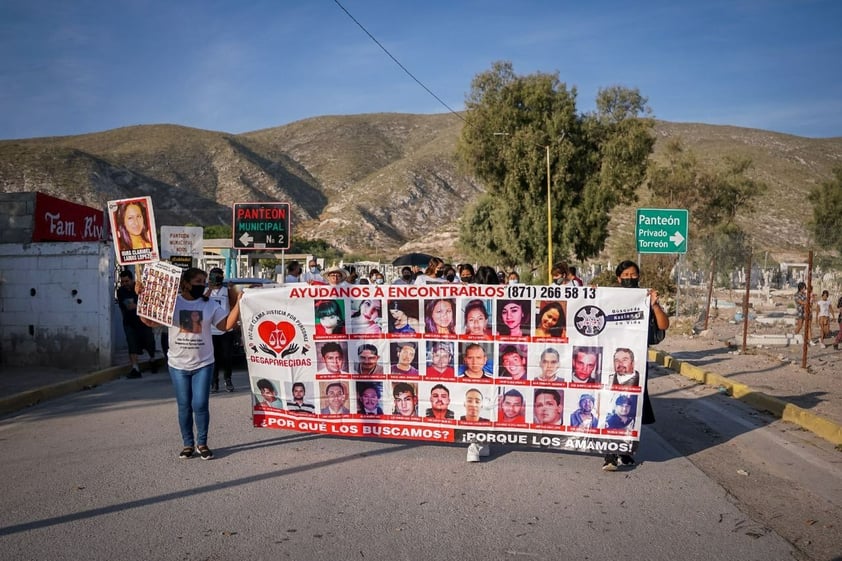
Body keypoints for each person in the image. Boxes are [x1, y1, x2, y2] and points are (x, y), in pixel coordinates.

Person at [140, 267, 242, 461]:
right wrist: (144, 297)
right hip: (178, 365)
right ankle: (188, 444)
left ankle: (202, 443)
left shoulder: (209, 304)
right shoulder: (172, 303)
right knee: (184, 405)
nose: (202, 285)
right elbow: (149, 321)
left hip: (204, 363)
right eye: (198, 281)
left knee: (200, 404)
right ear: (185, 283)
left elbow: (226, 325)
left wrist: (238, 302)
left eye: (204, 281)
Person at [603, 259, 669, 471]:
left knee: (631, 405)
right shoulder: (609, 298)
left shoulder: (645, 299)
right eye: (626, 275)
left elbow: (662, 326)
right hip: (609, 363)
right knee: (610, 404)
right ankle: (610, 454)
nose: (630, 279)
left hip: (636, 365)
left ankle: (625, 450)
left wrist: (655, 305)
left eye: (634, 275)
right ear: (618, 278)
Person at [116, 269, 156, 378]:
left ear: (132, 279)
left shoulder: (140, 288)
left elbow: (148, 303)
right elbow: (127, 306)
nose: (125, 284)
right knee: (131, 344)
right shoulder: (121, 291)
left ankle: (152, 360)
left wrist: (138, 305)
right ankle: (135, 368)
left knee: (149, 342)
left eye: (127, 281)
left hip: (143, 322)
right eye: (123, 282)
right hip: (129, 322)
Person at [207, 267, 238, 393]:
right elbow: (201, 301)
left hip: (225, 330)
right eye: (215, 277)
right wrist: (209, 288)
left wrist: (232, 289)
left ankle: (228, 379)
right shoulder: (206, 291)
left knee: (227, 357)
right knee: (213, 358)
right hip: (211, 330)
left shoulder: (226, 290)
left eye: (219, 277)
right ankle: (214, 382)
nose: (217, 279)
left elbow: (234, 302)